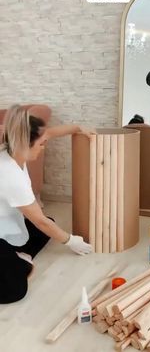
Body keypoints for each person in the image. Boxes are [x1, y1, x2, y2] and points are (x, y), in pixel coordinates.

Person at [0, 104, 94, 304]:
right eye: (41, 144)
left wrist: (78, 128)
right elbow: (40, 221)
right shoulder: (9, 175)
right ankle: (16, 262)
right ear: (25, 143)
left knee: (47, 226)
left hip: (5, 226)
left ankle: (16, 257)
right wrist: (71, 241)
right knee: (16, 291)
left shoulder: (15, 150)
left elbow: (50, 133)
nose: (44, 146)